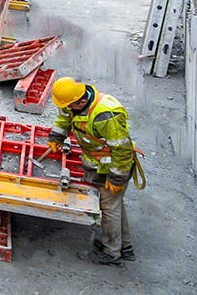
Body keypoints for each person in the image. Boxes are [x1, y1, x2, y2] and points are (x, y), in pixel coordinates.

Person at [48, 77, 138, 266]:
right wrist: (57, 136)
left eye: (70, 106)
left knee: (109, 208)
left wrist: (117, 178)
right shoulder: (73, 100)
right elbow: (64, 117)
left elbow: (123, 149)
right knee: (115, 205)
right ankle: (125, 247)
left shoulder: (106, 115)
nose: (67, 108)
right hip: (98, 165)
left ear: (81, 101)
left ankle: (111, 253)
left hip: (112, 168)